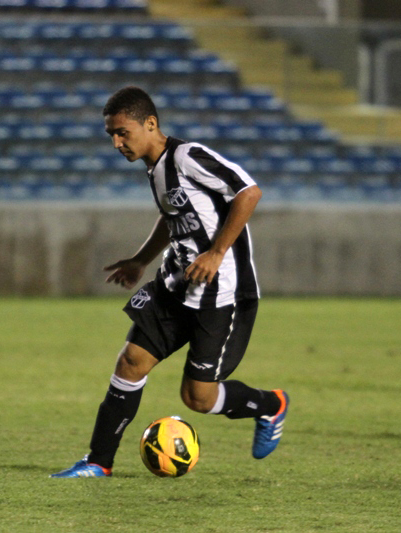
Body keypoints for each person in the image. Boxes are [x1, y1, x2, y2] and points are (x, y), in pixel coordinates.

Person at [51, 86, 289, 477]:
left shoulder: (188, 156)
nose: (115, 142)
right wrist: (141, 260)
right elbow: (174, 216)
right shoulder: (155, 168)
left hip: (219, 294)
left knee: (198, 397)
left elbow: (249, 192)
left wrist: (215, 253)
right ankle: (98, 463)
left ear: (150, 124)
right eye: (110, 134)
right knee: (130, 362)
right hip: (174, 284)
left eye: (122, 132)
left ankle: (271, 404)